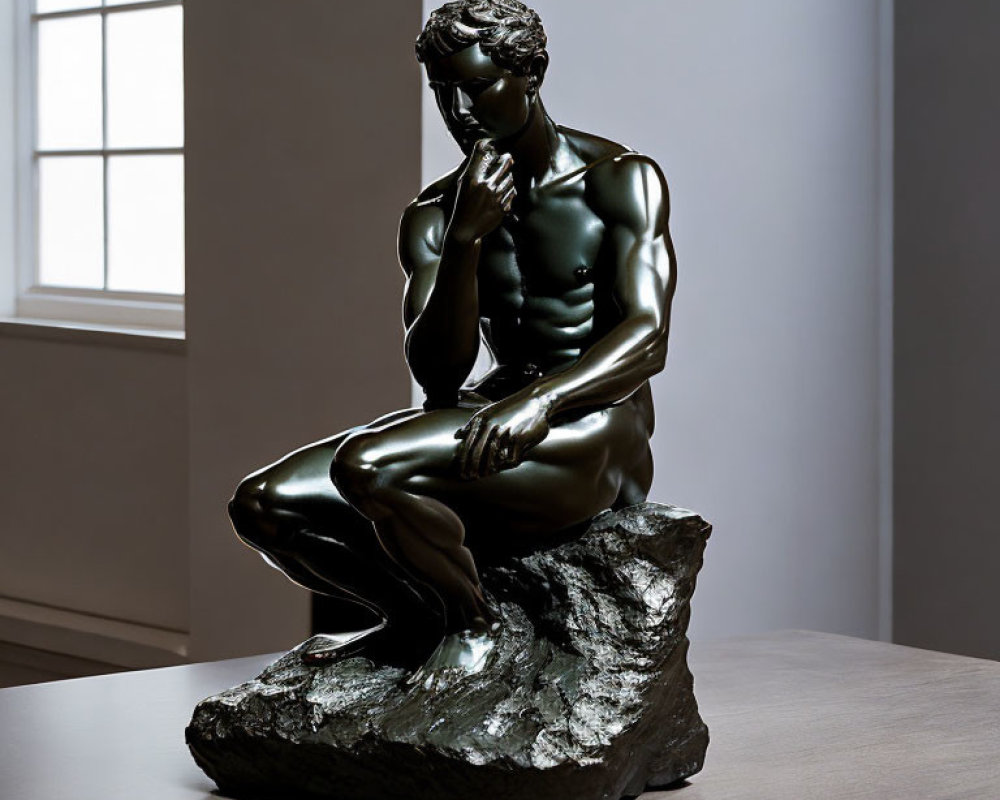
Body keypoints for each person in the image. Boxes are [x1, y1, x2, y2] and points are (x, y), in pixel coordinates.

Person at [229, 0, 676, 680]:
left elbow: (647, 339)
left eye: (475, 87)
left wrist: (542, 403)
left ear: (532, 75)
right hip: (486, 409)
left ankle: (474, 623)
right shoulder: (437, 215)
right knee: (264, 504)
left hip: (596, 426)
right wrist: (467, 240)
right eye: (443, 92)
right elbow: (439, 375)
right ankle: (415, 616)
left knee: (369, 467)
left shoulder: (618, 180)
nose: (459, 111)